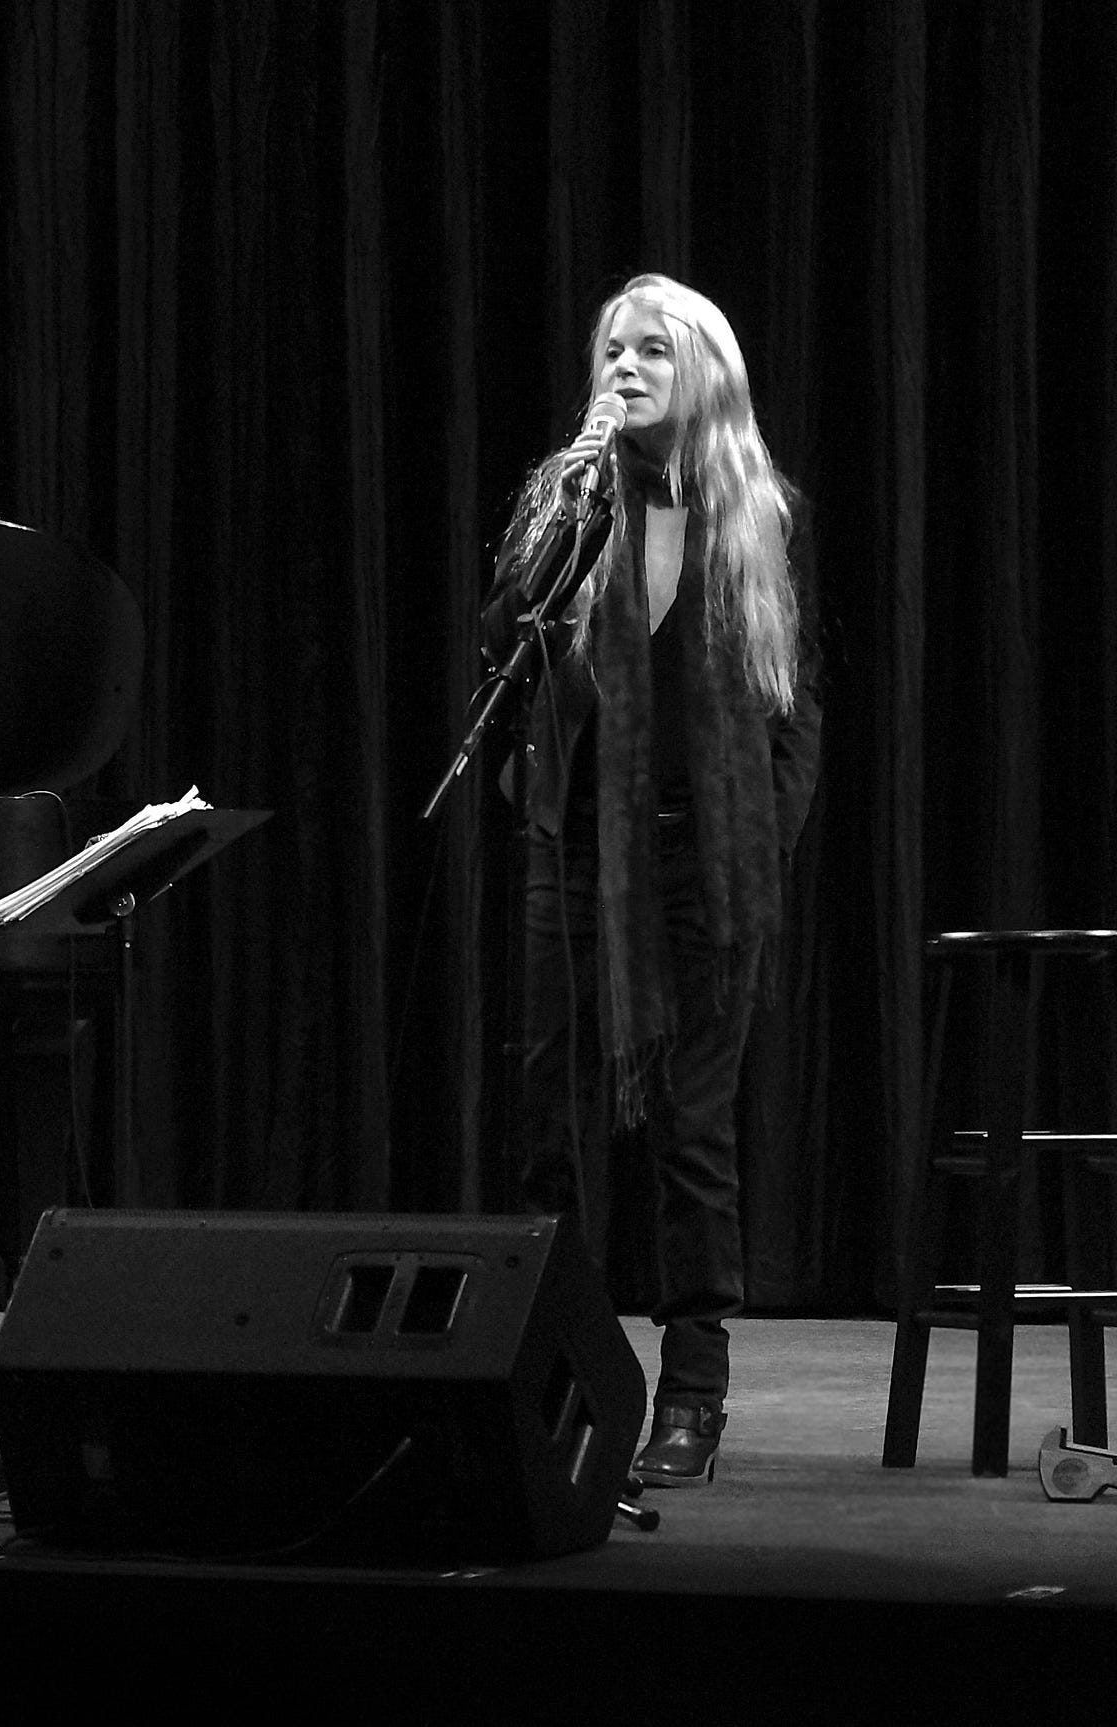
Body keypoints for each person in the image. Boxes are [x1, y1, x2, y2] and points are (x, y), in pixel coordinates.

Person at [482, 273, 820, 1487]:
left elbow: (794, 708)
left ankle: (690, 1389)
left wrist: (759, 837)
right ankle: (559, 1367)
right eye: (610, 351)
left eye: (650, 352)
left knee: (688, 1135)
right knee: (549, 1134)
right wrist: (568, 507)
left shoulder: (755, 517)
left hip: (703, 858)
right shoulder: (564, 505)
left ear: (702, 372)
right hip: (572, 852)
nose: (622, 368)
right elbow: (500, 656)